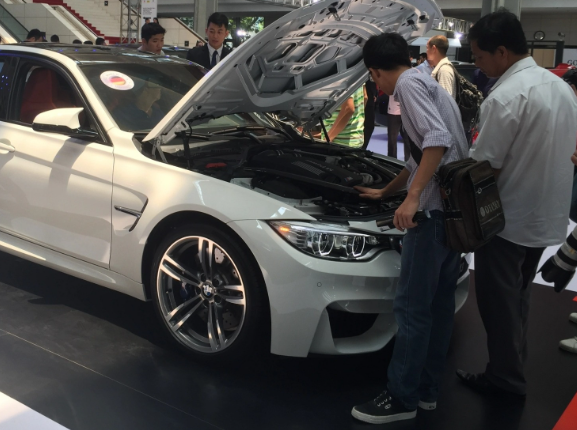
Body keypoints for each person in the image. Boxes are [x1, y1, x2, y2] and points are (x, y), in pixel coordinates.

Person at [456, 9, 577, 398]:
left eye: (479, 56)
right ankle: (512, 364)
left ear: (502, 52)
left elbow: (484, 167)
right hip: (546, 213)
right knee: (519, 294)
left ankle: (505, 379)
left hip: (506, 218)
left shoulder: (506, 96)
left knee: (498, 302)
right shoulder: (561, 88)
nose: (477, 64)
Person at [350, 32, 468, 425]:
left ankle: (401, 398)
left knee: (411, 309)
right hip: (453, 215)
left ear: (374, 72)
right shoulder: (426, 80)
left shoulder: (407, 86)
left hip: (431, 216)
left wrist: (412, 198)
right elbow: (423, 156)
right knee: (438, 307)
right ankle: (427, 392)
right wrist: (387, 191)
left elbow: (437, 140)